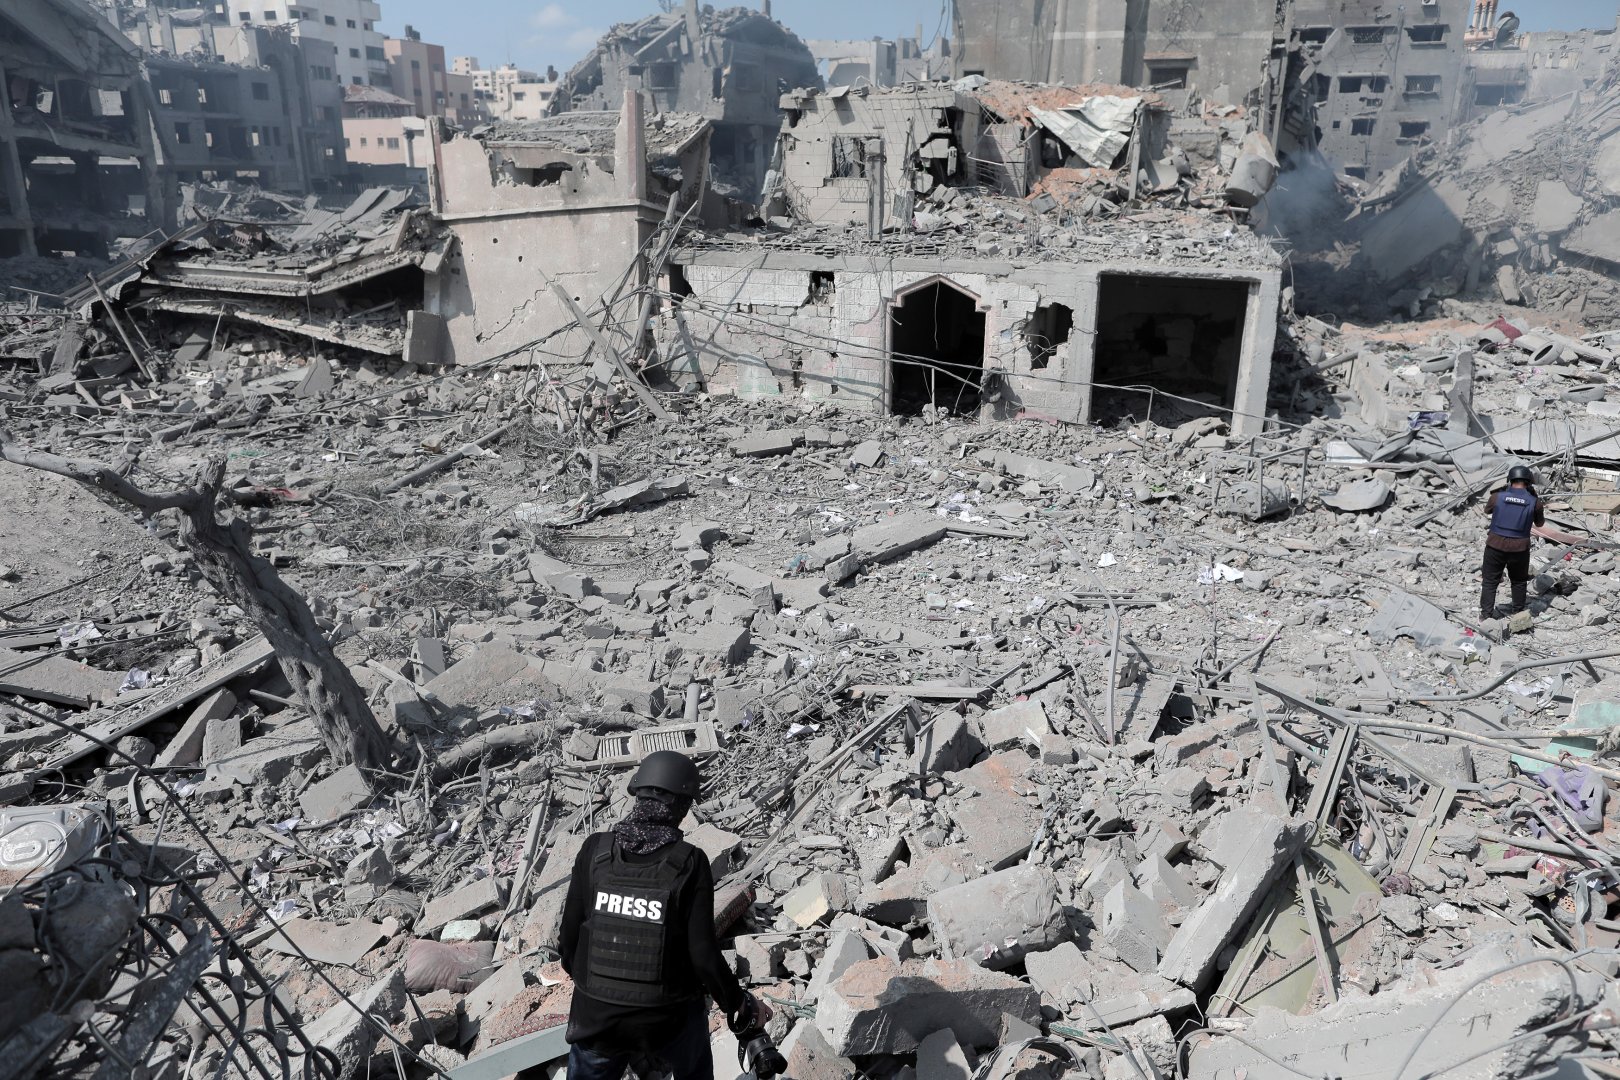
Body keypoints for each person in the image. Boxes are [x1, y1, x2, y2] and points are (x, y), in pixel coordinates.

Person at [559, 750, 771, 1080]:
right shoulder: (689, 862)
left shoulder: (595, 851)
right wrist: (737, 1003)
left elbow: (568, 940)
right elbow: (703, 956)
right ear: (682, 807)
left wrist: (599, 992)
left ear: (637, 795)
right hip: (667, 1019)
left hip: (597, 1019)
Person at [1480, 464, 1543, 622]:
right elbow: (1540, 524)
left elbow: (1487, 510)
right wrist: (1532, 496)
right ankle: (1518, 616)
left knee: (1489, 581)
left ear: (1510, 480)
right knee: (1518, 582)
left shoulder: (1497, 497)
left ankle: (1485, 616)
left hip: (1495, 545)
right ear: (1528, 482)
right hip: (1520, 548)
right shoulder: (1534, 502)